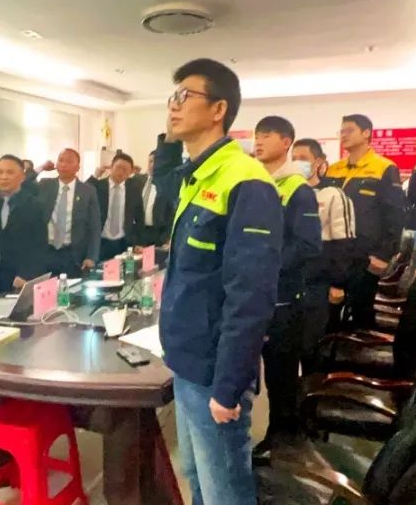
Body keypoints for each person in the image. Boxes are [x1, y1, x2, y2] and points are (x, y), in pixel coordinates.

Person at [153, 58, 282, 505]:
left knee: (224, 489)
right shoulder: (199, 175)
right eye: (171, 97)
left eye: (183, 96)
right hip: (186, 360)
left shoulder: (246, 181)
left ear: (218, 109)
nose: (172, 106)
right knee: (196, 475)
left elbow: (251, 297)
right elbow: (162, 183)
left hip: (213, 370)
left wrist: (228, 386)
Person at [250, 116, 321, 451]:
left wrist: (267, 266)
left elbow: (308, 245)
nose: (258, 141)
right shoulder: (254, 183)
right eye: (257, 135)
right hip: (252, 295)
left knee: (281, 375)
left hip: (283, 299)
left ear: (286, 142)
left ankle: (283, 442)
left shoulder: (297, 189)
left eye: (267, 135)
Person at [322, 114, 404, 329]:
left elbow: (395, 214)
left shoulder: (384, 168)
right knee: (328, 314)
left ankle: (359, 347)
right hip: (335, 253)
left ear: (366, 133)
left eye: (349, 130)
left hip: (365, 257)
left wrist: (384, 255)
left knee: (360, 312)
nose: (344, 135)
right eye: (341, 131)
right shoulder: (334, 169)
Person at [290, 138, 355, 371]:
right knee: (290, 345)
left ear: (318, 162)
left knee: (312, 345)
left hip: (319, 282)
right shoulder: (287, 191)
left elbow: (343, 242)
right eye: (293, 159)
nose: (297, 163)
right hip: (292, 281)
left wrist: (338, 283)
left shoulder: (332, 195)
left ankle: (314, 385)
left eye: (303, 159)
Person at [0, 155, 49, 294]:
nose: (4, 177)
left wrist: (27, 275)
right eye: (0, 172)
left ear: (22, 177)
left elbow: (39, 245)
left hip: (16, 277)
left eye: (10, 172)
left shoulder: (34, 206)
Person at [37, 148, 100, 277]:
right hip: (46, 252)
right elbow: (23, 184)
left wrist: (91, 257)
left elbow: (94, 227)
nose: (64, 164)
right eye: (60, 160)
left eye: (69, 161)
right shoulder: (44, 185)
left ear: (78, 167)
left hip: (73, 255)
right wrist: (40, 168)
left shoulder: (88, 191)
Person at [86, 153, 143, 260]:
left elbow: (140, 217)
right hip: (100, 240)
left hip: (123, 242)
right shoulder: (98, 186)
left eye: (125, 170)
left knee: (122, 269)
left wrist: (139, 242)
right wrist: (95, 176)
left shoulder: (134, 189)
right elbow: (83, 192)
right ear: (111, 167)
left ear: (131, 172)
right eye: (118, 167)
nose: (120, 172)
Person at [134, 151, 173, 248]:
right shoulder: (137, 180)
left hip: (157, 235)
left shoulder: (166, 184)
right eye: (150, 161)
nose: (152, 165)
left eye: (156, 162)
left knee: (154, 257)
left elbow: (172, 213)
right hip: (138, 233)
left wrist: (166, 237)